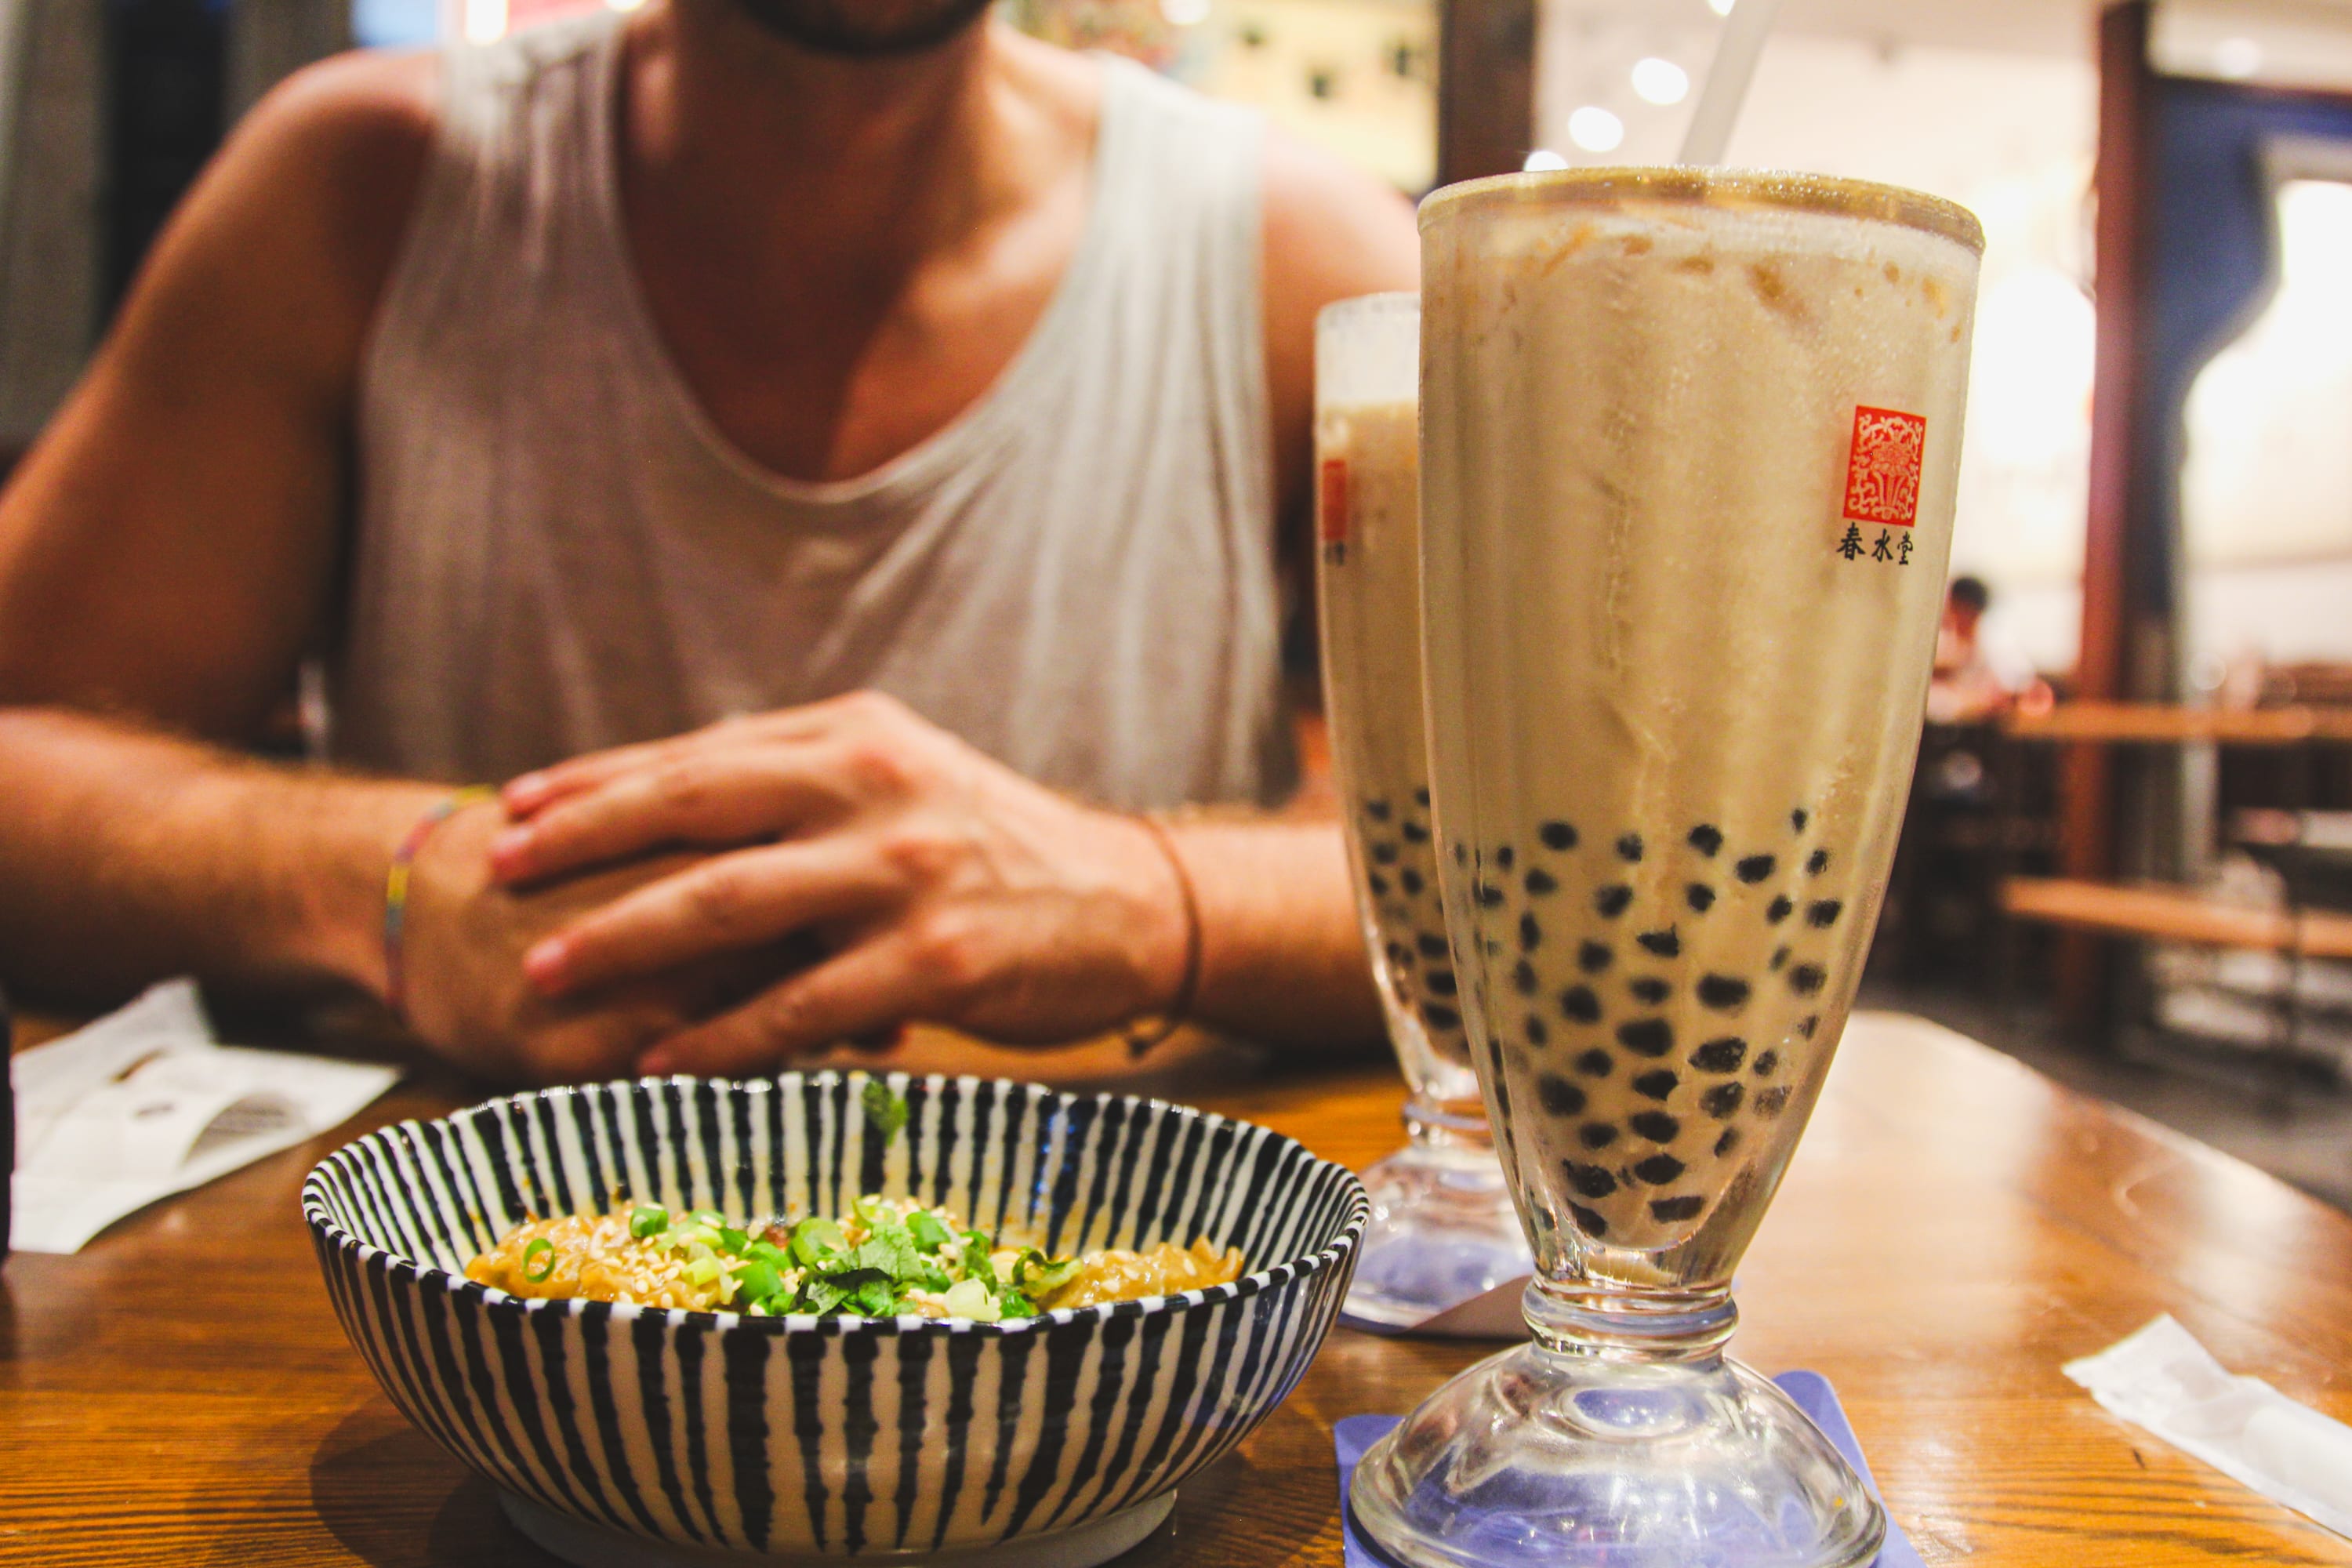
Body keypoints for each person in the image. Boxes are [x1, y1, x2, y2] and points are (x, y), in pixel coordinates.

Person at [0, 0, 1416, 1083]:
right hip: (487, 1301)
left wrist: (1154, 897)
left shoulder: (1301, 261)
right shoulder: (356, 190)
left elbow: (1533, 860)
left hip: (1117, 1301)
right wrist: (395, 884)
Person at [1926, 575, 2041, 724]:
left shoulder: (1996, 646)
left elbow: (2021, 690)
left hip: (1983, 726)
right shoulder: (1946, 642)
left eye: (1955, 607)